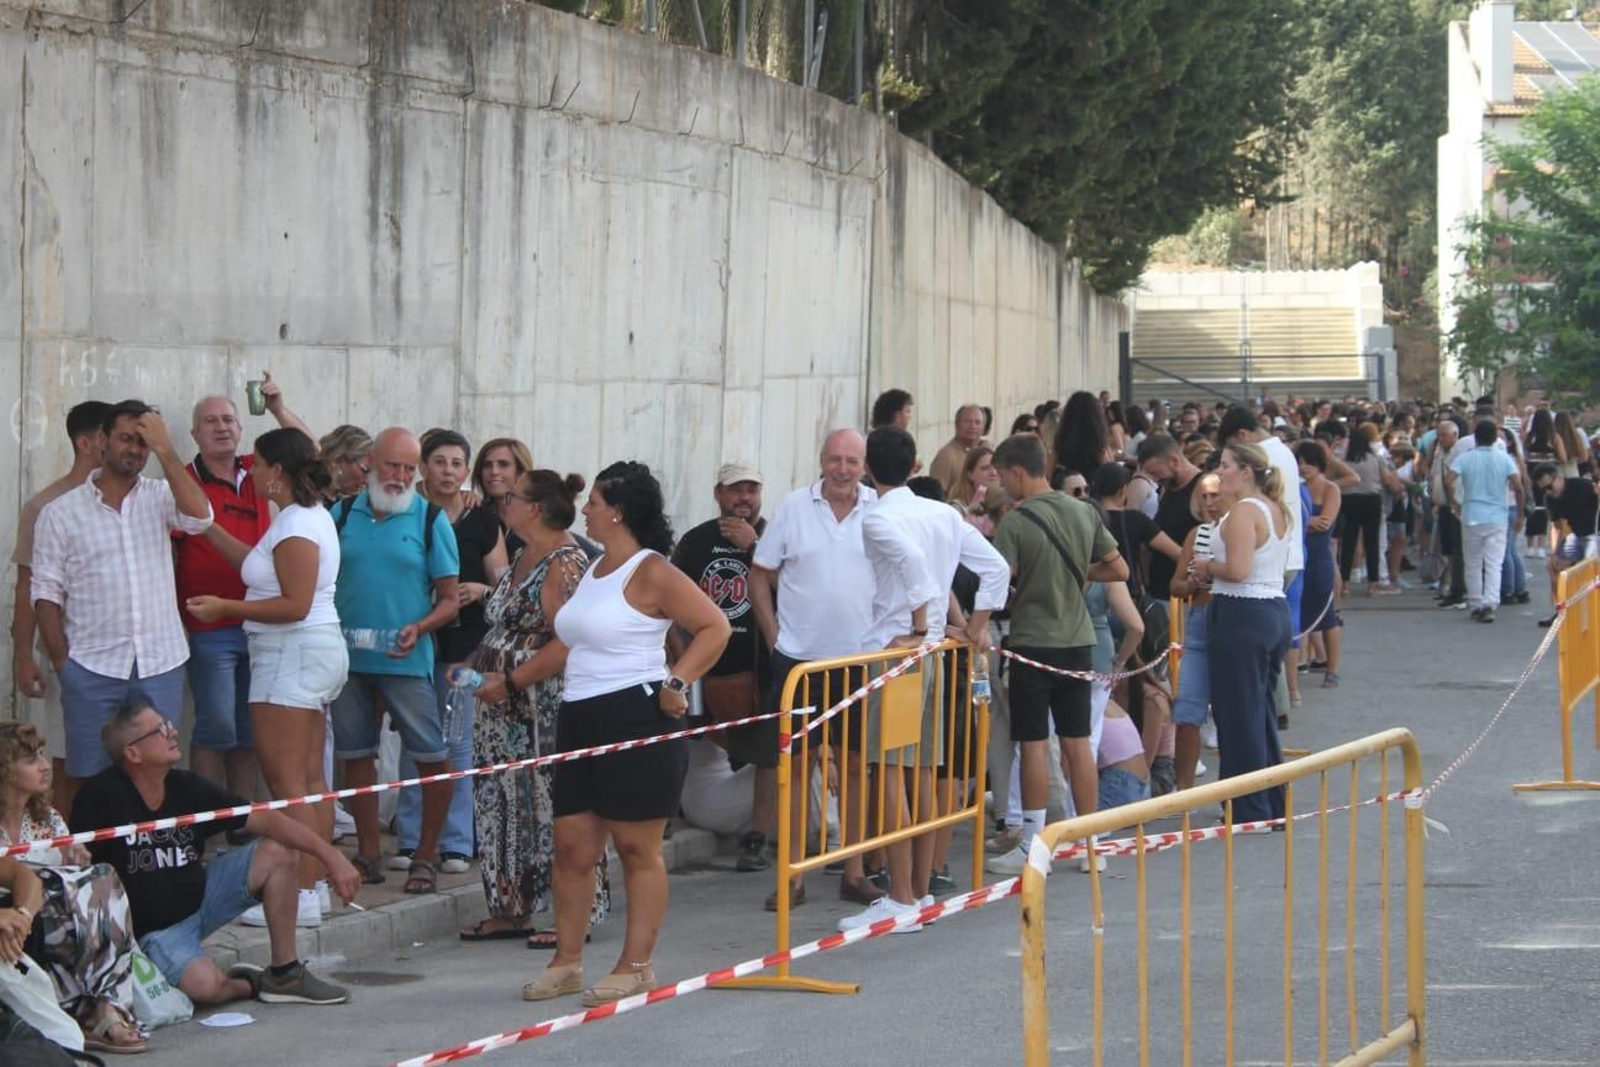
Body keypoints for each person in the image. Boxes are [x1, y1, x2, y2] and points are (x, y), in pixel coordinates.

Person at [521, 462, 730, 1006]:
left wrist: (677, 680)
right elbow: (574, 636)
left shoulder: (652, 570)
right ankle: (566, 961)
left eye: (593, 502)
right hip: (579, 714)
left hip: (636, 714)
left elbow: (715, 626)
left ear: (617, 511)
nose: (585, 510)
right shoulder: (593, 567)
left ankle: (636, 965)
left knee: (637, 847)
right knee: (572, 846)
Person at [71, 698, 359, 1006]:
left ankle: (285, 974)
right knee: (206, 987)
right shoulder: (101, 794)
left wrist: (331, 856)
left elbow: (264, 817)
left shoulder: (185, 785)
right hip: (153, 931)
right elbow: (75, 865)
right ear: (133, 753)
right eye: (159, 730)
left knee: (279, 850)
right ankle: (250, 984)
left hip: (202, 901)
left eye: (168, 724)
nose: (172, 732)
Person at [842, 428, 1007, 931]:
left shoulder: (879, 517)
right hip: (933, 652)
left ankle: (902, 898)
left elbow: (914, 568)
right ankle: (915, 891)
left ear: (868, 468)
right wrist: (973, 627)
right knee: (921, 774)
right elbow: (996, 569)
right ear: (915, 464)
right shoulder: (942, 514)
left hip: (900, 654)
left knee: (894, 774)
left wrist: (917, 628)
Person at [182, 428, 348, 928]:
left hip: (290, 655)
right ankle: (313, 887)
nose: (250, 472)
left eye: (257, 464)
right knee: (310, 780)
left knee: (288, 784)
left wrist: (225, 607)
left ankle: (300, 893)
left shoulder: (296, 523)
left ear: (277, 471)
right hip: (307, 653)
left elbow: (294, 604)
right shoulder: (299, 517)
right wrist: (208, 528)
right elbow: (259, 568)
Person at [30, 401, 215, 781]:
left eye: (143, 443)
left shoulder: (160, 496)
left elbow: (201, 518)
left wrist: (166, 451)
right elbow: (45, 592)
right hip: (91, 667)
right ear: (102, 440)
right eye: (126, 439)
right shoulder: (59, 513)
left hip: (160, 664)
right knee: (91, 778)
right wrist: (63, 662)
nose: (135, 449)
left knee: (157, 774)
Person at [462, 471, 610, 947]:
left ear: (535, 508)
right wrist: (476, 666)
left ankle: (572, 913)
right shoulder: (523, 553)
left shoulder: (564, 563)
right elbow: (504, 626)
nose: (503, 500)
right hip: (501, 711)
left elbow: (567, 640)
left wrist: (511, 681)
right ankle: (511, 908)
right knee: (502, 804)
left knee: (553, 806)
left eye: (513, 496)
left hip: (540, 707)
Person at [749, 430, 881, 908]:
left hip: (858, 660)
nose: (842, 469)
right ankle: (793, 876)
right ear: (821, 460)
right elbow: (759, 575)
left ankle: (853, 871)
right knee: (795, 769)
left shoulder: (879, 510)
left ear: (864, 465)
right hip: (798, 662)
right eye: (834, 460)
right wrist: (774, 639)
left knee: (855, 769)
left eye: (852, 461)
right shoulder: (792, 507)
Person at [985, 433, 1127, 876]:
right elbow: (1119, 568)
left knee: (1032, 743)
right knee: (1077, 742)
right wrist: (1078, 571)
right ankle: (1091, 842)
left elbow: (998, 581)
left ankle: (1033, 845)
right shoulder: (1083, 511)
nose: (1001, 484)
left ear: (1018, 472)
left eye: (1002, 476)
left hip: (1032, 642)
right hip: (1079, 642)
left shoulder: (1015, 522)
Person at [330, 428, 461, 892]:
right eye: (392, 465)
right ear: (370, 461)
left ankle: (426, 855)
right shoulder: (341, 513)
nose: (400, 476)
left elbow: (450, 600)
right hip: (348, 661)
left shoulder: (430, 519)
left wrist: (419, 628)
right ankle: (368, 852)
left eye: (409, 468)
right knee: (356, 758)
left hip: (405, 662)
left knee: (431, 757)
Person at [175, 377, 312, 817]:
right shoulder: (183, 482)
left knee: (251, 731)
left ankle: (242, 821)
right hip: (210, 627)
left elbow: (308, 453)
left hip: (265, 623)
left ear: (240, 429)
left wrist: (277, 407)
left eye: (229, 419)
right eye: (210, 421)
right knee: (215, 728)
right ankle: (207, 822)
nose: (221, 427)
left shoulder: (259, 472)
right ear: (194, 433)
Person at [390, 430, 509, 877]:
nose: (448, 471)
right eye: (439, 462)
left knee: (457, 741)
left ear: (466, 471)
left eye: (457, 463)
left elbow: (505, 584)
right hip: (414, 641)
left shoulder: (482, 521)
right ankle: (410, 837)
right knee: (415, 740)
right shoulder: (405, 510)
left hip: (465, 648)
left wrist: (480, 590)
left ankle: (456, 843)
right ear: (423, 467)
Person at [0, 722, 141, 1053]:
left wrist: (74, 860)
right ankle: (96, 1011)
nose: (45, 766)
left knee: (100, 878)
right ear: (5, 770)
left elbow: (64, 879)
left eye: (42, 755)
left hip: (36, 915)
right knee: (91, 888)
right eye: (31, 759)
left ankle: (104, 1007)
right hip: (17, 917)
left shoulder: (47, 818)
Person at [669, 463, 772, 873]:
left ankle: (758, 837)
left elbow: (793, 588)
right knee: (684, 737)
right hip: (705, 672)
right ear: (718, 494)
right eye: (735, 489)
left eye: (751, 489)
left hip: (760, 669)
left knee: (766, 754)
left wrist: (755, 547)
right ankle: (666, 811)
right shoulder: (696, 541)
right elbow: (668, 604)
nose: (744, 498)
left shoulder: (775, 536)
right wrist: (683, 660)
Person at [11, 401, 109, 815]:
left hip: (127, 656)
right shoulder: (45, 506)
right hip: (69, 654)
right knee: (71, 763)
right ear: (85, 443)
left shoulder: (131, 497)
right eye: (111, 435)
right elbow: (27, 587)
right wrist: (24, 656)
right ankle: (63, 845)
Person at [1196, 442, 1292, 823]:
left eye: (1225, 465)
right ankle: (1271, 802)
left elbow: (1237, 569)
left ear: (1247, 472)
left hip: (1243, 613)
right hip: (1269, 610)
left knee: (1238, 715)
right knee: (1258, 711)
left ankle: (1248, 808)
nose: (1220, 472)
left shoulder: (1244, 512)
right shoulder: (1273, 508)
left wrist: (1205, 566)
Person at [1169, 472, 1223, 791]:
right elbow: (1175, 585)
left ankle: (1232, 794)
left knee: (1230, 713)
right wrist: (1190, 583)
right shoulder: (1198, 534)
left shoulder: (1240, 528)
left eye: (1215, 495)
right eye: (1204, 496)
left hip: (1230, 620)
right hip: (1200, 619)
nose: (1209, 502)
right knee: (1187, 711)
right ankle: (1183, 793)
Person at [1448, 420, 1522, 623]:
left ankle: (1476, 603)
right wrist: (1521, 514)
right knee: (1494, 563)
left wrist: (1454, 502)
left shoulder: (1465, 458)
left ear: (1476, 437)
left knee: (1472, 562)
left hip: (1471, 514)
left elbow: (1448, 480)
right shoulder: (1505, 458)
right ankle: (1490, 603)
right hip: (1497, 516)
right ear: (1495, 438)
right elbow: (1518, 486)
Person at [1295, 442, 1344, 687]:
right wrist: (1308, 522)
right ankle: (1297, 664)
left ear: (1320, 464)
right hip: (1297, 557)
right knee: (1297, 612)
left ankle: (1332, 670)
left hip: (1318, 558)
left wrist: (1303, 523)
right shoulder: (1295, 488)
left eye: (1309, 463)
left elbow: (1325, 523)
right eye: (1300, 462)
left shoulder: (1330, 488)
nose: (1304, 467)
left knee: (1327, 615)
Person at [1138, 433, 1206, 603]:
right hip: (1158, 591)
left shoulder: (1202, 489)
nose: (1154, 480)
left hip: (1185, 598)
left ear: (1174, 461)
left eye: (1156, 473)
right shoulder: (1167, 487)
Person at [1535, 463, 1599, 627]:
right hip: (1576, 537)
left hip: (1595, 534)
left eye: (1549, 487)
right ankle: (1562, 611)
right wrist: (1555, 553)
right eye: (1543, 490)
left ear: (1558, 478)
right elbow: (1557, 527)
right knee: (1554, 567)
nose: (1548, 492)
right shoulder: (1550, 499)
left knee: (1588, 569)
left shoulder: (1582, 486)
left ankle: (1591, 614)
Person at [474, 438, 536, 553]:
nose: (494, 471)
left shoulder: (540, 519)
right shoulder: (474, 515)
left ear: (520, 471)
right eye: (487, 465)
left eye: (503, 464)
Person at [929, 404, 988, 497]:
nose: (973, 426)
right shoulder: (946, 456)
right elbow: (935, 495)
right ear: (957, 424)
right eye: (967, 421)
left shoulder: (986, 452)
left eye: (977, 422)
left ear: (984, 427)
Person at [1053, 391, 1113, 479]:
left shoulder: (1061, 438)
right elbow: (1109, 469)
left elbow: (1049, 470)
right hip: (1093, 482)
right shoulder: (1097, 439)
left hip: (1069, 482)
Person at [316, 424, 374, 505]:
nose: (367, 481)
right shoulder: (305, 495)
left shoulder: (344, 506)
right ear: (337, 460)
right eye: (364, 470)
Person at [954, 446, 1000, 536]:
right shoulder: (956, 509)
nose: (993, 473)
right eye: (985, 468)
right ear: (970, 474)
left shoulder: (1008, 505)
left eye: (996, 467)